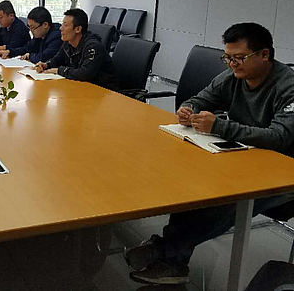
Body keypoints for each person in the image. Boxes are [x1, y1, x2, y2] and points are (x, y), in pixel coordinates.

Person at [124, 22, 294, 285]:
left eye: (239, 58)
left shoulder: (288, 86)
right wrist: (188, 109)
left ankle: (165, 251)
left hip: (284, 172)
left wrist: (220, 126)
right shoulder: (232, 76)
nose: (232, 64)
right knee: (193, 187)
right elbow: (201, 98)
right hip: (244, 155)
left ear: (264, 54)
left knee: (226, 200)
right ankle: (173, 259)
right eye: (228, 58)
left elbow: (279, 137)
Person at [34, 8, 116, 89]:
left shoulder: (93, 46)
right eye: (62, 24)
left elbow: (85, 74)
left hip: (104, 90)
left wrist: (59, 70)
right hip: (82, 87)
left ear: (78, 29)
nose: (61, 28)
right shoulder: (68, 42)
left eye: (65, 25)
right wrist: (46, 65)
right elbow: (57, 60)